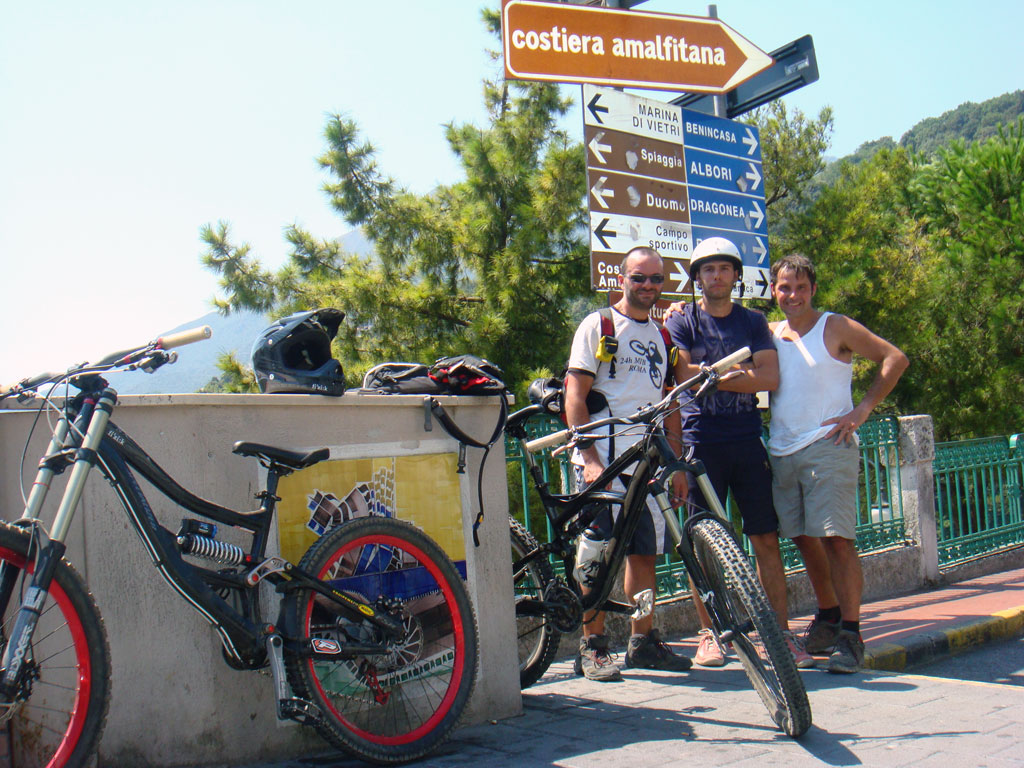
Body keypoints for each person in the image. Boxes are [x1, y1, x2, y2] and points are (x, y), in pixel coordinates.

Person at [665, 237, 813, 669]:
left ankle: (780, 633)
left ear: (735, 275)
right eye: (707, 270)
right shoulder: (682, 322)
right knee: (703, 544)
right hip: (698, 444)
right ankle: (712, 634)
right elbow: (683, 375)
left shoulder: (752, 321)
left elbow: (769, 377)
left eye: (724, 269)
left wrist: (711, 376)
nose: (716, 276)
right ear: (697, 278)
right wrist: (736, 372)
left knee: (765, 538)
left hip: (746, 441)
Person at [768, 253, 909, 674]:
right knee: (802, 536)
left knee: (836, 539)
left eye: (800, 287)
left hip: (828, 444)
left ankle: (851, 633)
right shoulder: (771, 333)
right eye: (784, 288)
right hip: (781, 449)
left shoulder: (836, 326)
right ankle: (828, 615)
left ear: (813, 289)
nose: (792, 296)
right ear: (774, 290)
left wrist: (862, 410)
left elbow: (894, 358)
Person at [565, 246, 691, 681]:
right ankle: (593, 645)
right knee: (596, 556)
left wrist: (672, 464)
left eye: (656, 279)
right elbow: (574, 397)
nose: (648, 287)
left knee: (643, 556)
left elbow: (669, 404)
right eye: (639, 278)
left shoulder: (663, 335)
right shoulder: (598, 325)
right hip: (604, 462)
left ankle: (642, 641)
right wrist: (589, 459)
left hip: (648, 464)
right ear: (621, 279)